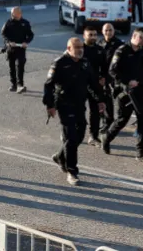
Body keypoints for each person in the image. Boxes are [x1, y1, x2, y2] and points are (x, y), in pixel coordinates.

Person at [43, 37, 105, 186]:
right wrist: (49, 106)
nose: (80, 50)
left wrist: (100, 100)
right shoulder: (59, 63)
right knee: (70, 137)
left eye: (81, 47)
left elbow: (93, 84)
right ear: (69, 48)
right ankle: (72, 171)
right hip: (64, 104)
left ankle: (60, 156)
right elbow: (48, 86)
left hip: (79, 104)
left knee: (80, 134)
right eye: (76, 47)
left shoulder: (85, 63)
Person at [101, 27, 143, 164]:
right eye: (141, 38)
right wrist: (126, 81)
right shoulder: (122, 50)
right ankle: (107, 138)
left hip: (139, 91)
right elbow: (112, 70)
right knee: (122, 119)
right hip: (124, 91)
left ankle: (141, 152)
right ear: (134, 36)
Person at [82, 27, 108, 146]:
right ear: (84, 36)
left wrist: (103, 77)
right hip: (80, 83)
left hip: (96, 83)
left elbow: (105, 66)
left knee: (96, 110)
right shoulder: (79, 49)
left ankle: (93, 136)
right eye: (90, 35)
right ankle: (72, 133)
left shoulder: (100, 50)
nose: (92, 37)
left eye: (94, 35)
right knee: (78, 110)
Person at [0, 6, 35, 94]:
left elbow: (31, 35)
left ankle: (20, 85)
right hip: (11, 48)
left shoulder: (25, 23)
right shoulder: (8, 23)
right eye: (13, 15)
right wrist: (8, 42)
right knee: (12, 67)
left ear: (20, 14)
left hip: (21, 48)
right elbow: (3, 34)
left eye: (17, 14)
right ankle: (13, 84)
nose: (15, 16)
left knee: (20, 66)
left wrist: (26, 42)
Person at [98, 23, 123, 135]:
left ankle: (117, 122)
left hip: (114, 76)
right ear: (103, 31)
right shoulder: (100, 43)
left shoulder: (119, 44)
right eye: (106, 30)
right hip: (102, 76)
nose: (108, 32)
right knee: (104, 99)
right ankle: (107, 122)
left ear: (114, 31)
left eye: (110, 30)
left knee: (120, 99)